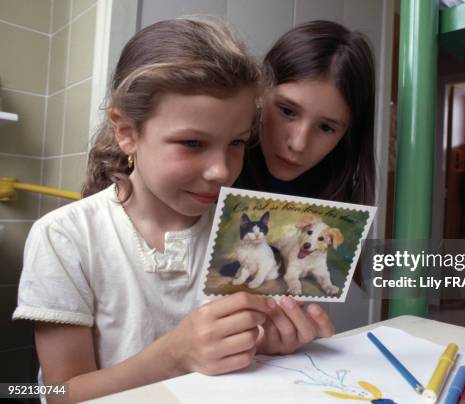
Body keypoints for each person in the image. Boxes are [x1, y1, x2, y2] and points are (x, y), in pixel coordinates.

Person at [12, 18, 333, 403]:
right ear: (126, 131)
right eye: (193, 143)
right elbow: (59, 393)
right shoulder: (64, 237)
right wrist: (174, 356)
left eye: (236, 143)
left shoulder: (238, 233)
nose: (223, 171)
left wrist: (269, 343)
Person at [237, 20, 376, 206]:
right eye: (287, 111)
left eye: (326, 127)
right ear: (261, 91)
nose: (298, 144)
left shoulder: (340, 199)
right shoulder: (219, 166)